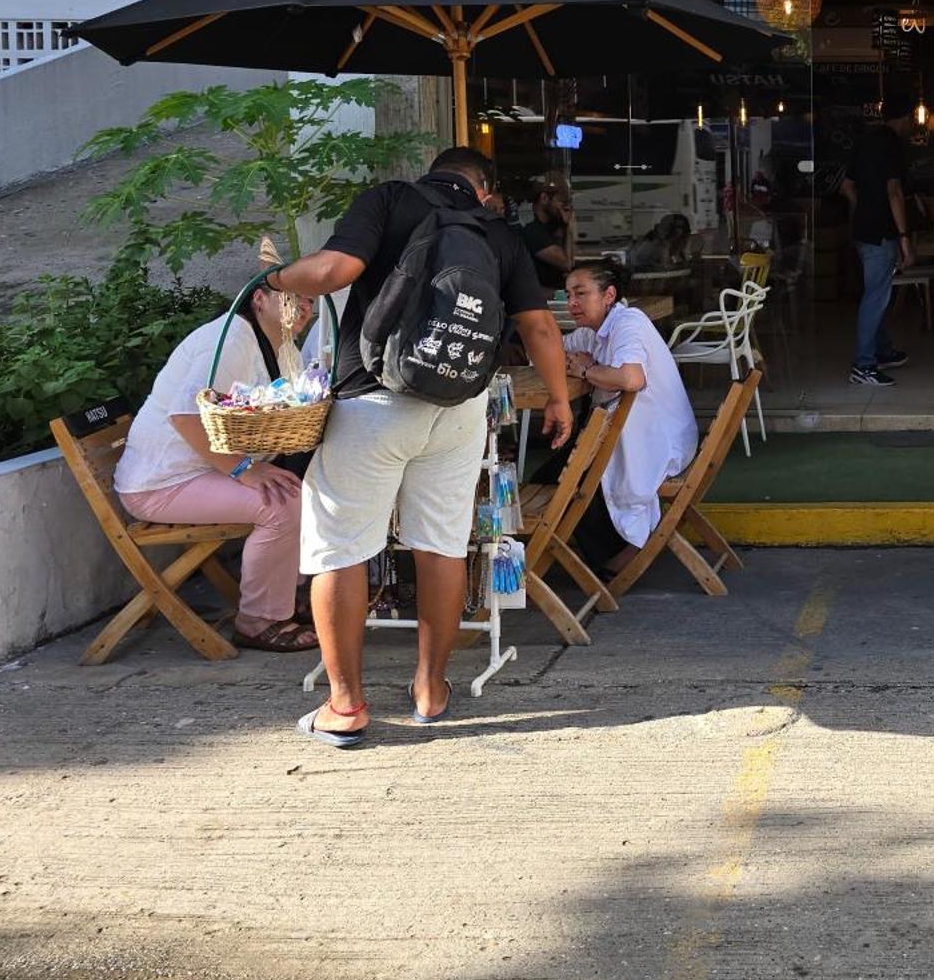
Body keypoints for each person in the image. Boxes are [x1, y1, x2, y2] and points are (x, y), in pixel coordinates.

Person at [264, 146, 572, 746]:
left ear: (431, 173)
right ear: (483, 191)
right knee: (442, 546)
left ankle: (346, 707)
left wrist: (273, 277)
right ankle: (431, 690)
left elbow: (332, 272)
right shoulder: (498, 232)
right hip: (459, 409)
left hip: (372, 402)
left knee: (341, 549)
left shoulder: (388, 199)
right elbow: (539, 326)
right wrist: (559, 398)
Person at [112, 268, 318, 652]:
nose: (304, 307)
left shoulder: (283, 346)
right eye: (293, 297)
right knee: (283, 503)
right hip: (161, 483)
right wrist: (245, 469)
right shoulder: (228, 340)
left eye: (309, 300)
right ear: (259, 299)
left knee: (311, 483)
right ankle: (258, 621)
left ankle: (291, 596)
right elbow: (184, 416)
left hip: (200, 474)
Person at [560, 259, 699, 575]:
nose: (571, 303)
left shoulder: (628, 322)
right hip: (635, 436)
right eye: (568, 295)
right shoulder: (594, 330)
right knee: (559, 469)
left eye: (580, 293)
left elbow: (631, 379)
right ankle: (603, 556)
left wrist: (586, 370)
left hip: (659, 441)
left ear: (608, 295)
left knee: (570, 479)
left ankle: (620, 559)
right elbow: (558, 347)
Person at [839, 97, 915, 387]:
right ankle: (864, 366)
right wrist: (905, 238)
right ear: (905, 119)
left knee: (877, 293)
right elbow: (894, 191)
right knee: (875, 297)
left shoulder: (864, 141)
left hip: (862, 231)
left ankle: (882, 351)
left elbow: (846, 187)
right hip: (882, 233)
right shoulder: (892, 144)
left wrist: (865, 209)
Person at [521, 172, 574, 293]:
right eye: (561, 201)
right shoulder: (533, 232)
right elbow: (567, 263)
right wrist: (569, 225)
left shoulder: (551, 230)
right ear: (544, 198)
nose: (565, 207)